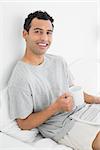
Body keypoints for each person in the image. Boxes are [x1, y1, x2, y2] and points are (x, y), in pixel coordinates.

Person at [7, 10, 100, 150]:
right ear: (25, 34)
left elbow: (73, 90)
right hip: (64, 126)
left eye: (48, 32)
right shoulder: (21, 77)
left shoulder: (58, 61)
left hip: (85, 110)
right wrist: (55, 107)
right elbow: (23, 124)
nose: (44, 38)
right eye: (38, 31)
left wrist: (97, 100)